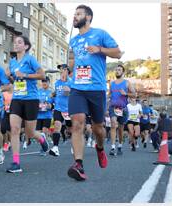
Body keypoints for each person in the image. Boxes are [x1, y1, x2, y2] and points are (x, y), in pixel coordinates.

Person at [67, 5, 123, 181]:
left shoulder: (100, 34)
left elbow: (118, 53)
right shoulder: (74, 41)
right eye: (74, 14)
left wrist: (100, 49)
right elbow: (73, 61)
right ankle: (78, 164)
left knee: (99, 129)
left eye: (78, 14)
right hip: (77, 88)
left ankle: (100, 148)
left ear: (88, 17)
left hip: (96, 88)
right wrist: (69, 68)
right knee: (77, 123)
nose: (75, 17)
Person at [5, 35, 49, 173]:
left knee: (30, 133)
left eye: (20, 42)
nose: (16, 44)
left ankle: (41, 138)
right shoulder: (12, 62)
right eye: (15, 42)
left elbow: (42, 75)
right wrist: (9, 76)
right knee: (15, 129)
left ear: (26, 46)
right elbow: (15, 80)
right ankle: (16, 162)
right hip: (17, 98)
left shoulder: (30, 59)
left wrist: (25, 75)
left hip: (31, 99)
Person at [108, 64, 136, 156]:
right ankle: (112, 147)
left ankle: (119, 145)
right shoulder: (111, 83)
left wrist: (126, 93)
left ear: (123, 72)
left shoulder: (127, 83)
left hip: (123, 108)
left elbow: (134, 95)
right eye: (116, 70)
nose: (117, 71)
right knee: (113, 124)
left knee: (120, 129)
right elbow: (109, 95)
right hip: (113, 107)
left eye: (119, 70)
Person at [49, 65, 71, 157]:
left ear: (67, 71)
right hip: (58, 108)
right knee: (57, 125)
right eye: (60, 69)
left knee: (71, 129)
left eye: (63, 69)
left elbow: (68, 94)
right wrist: (53, 94)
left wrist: (67, 91)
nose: (61, 71)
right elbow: (58, 92)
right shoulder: (57, 82)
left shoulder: (71, 82)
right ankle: (55, 147)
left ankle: (74, 145)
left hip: (69, 109)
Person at [1, 86, 13, 152]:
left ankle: (9, 143)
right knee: (3, 128)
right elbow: (1, 101)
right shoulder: (4, 93)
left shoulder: (15, 94)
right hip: (5, 112)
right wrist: (3, 105)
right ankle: (6, 143)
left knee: (9, 130)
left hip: (13, 112)